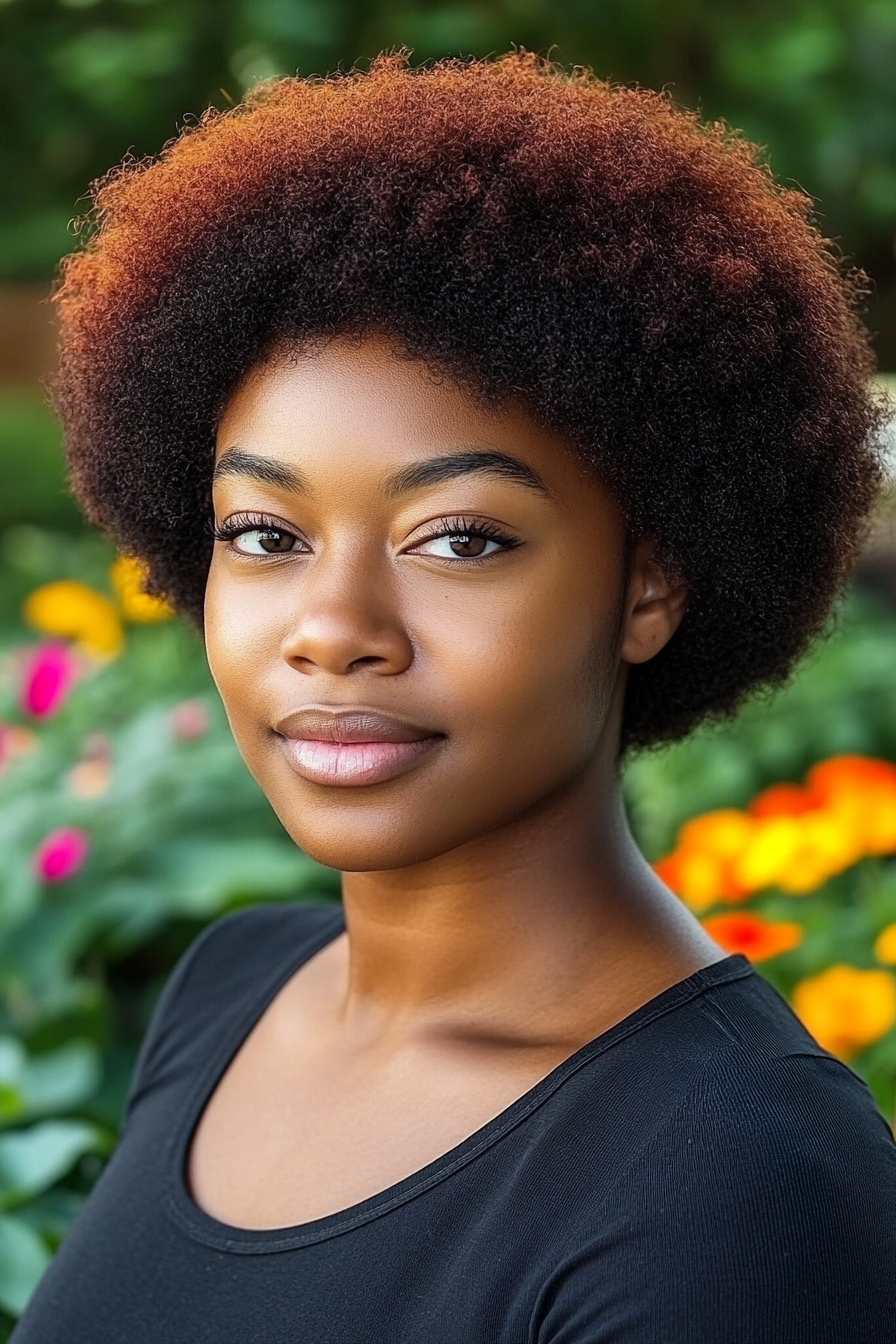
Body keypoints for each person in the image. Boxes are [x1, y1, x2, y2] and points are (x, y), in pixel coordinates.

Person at [13, 51, 896, 1344]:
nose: (335, 632)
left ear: (650, 584)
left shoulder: (739, 1188)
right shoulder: (234, 993)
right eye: (265, 533)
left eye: (460, 539)